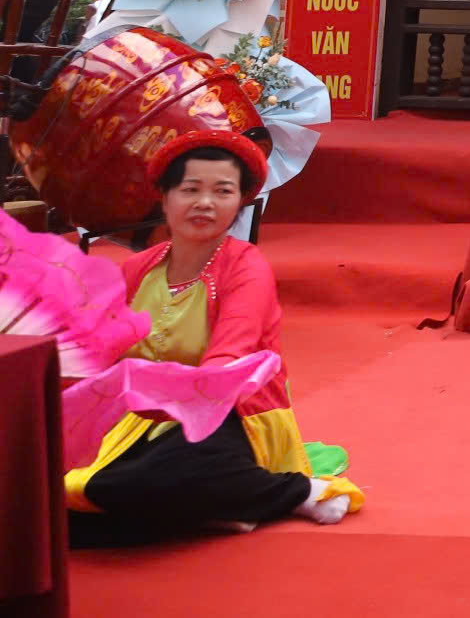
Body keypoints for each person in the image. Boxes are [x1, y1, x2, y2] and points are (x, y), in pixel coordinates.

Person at [66, 132, 365, 545]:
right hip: (138, 417)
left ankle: (294, 492)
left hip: (227, 410)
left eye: (222, 191)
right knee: (37, 475)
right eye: (190, 189)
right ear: (165, 197)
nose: (205, 203)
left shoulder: (246, 267)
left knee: (149, 477)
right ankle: (219, 506)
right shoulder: (136, 270)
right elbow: (94, 350)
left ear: (240, 202)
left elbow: (229, 356)